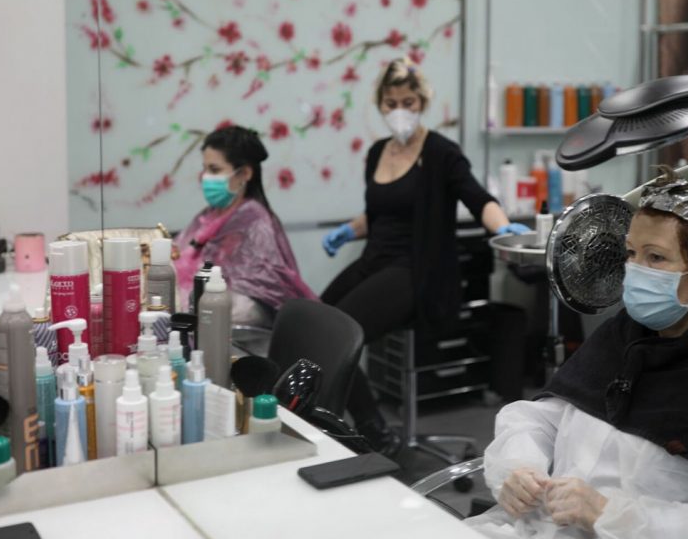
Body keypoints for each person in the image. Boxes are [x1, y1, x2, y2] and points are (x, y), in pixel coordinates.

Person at [468, 171, 688, 539]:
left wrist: (611, 515)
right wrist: (518, 467)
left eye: (656, 257)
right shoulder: (621, 337)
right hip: (536, 532)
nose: (635, 270)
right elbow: (541, 418)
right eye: (631, 253)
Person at [320, 58, 530, 453]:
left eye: (409, 102)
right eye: (391, 103)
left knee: (341, 334)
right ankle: (337, 423)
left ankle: (373, 430)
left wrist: (501, 226)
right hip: (375, 260)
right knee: (317, 322)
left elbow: (478, 198)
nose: (400, 110)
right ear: (380, 104)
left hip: (417, 270)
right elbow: (382, 211)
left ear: (422, 102)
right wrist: (349, 230)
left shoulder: (441, 153)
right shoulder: (377, 152)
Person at [173, 125, 315, 327]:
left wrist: (192, 305)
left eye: (214, 170)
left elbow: (256, 305)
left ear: (245, 173)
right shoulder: (210, 215)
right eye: (204, 169)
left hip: (232, 331)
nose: (205, 177)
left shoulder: (256, 223)